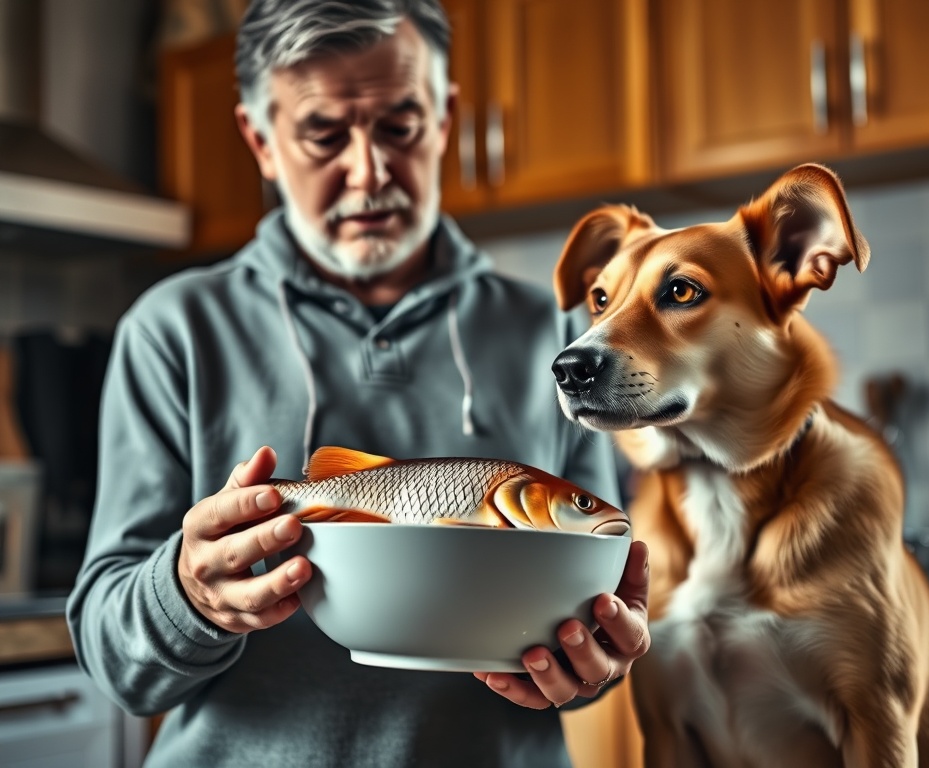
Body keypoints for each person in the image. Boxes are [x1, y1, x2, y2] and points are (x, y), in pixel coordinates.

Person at [66, 1, 651, 766]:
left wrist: (598, 657)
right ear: (260, 140)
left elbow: (594, 615)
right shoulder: (171, 330)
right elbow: (113, 658)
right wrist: (189, 593)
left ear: (444, 119)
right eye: (324, 134)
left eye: (400, 126)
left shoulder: (559, 336)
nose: (369, 171)